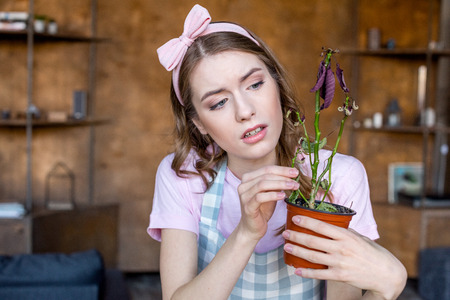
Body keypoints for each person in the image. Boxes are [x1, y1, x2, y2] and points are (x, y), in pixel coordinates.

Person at [148, 4, 407, 300]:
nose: (245, 111)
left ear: (277, 85)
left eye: (255, 84)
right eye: (218, 103)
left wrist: (390, 285)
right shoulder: (183, 176)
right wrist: (247, 233)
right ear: (199, 123)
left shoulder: (339, 176)